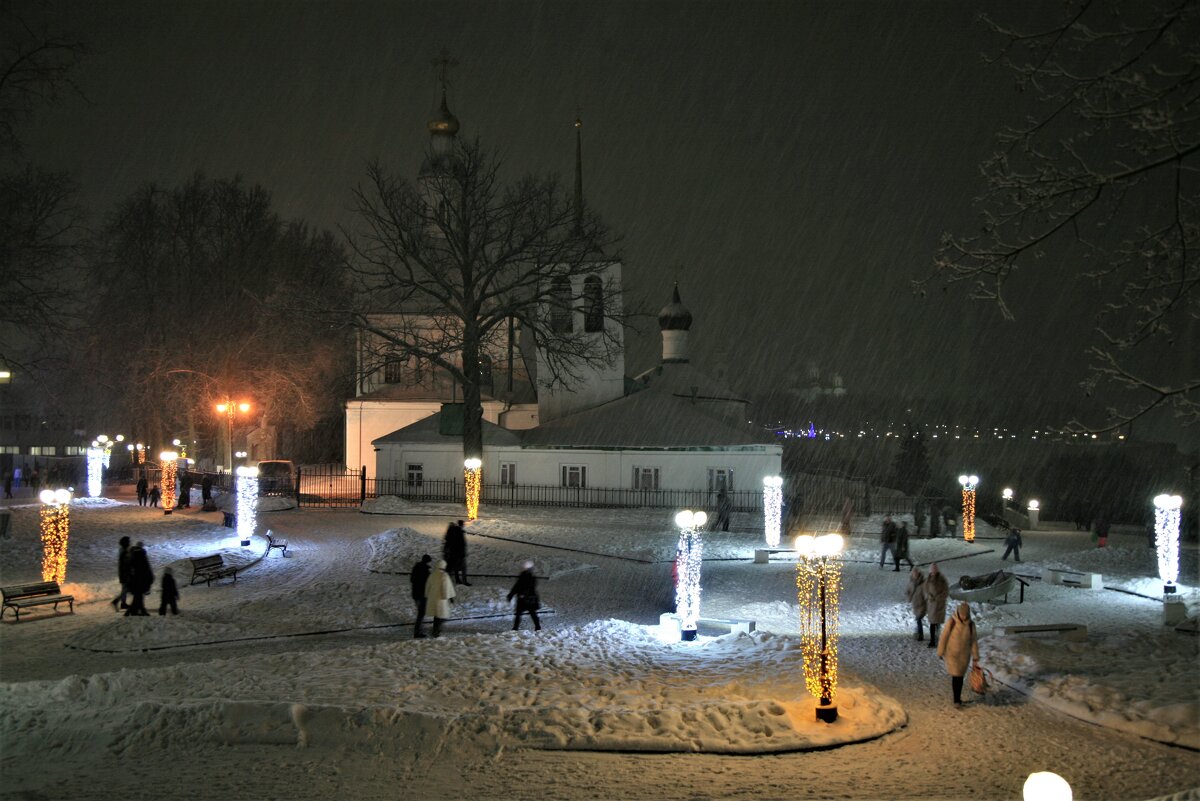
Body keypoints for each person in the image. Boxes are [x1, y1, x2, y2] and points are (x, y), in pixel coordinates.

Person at [937, 602, 981, 706]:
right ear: (958, 612)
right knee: (956, 675)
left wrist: (975, 656)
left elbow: (973, 641)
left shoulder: (971, 625)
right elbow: (944, 637)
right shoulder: (951, 622)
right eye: (962, 614)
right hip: (952, 654)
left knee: (960, 676)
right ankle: (956, 699)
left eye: (965, 614)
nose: (964, 616)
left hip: (964, 655)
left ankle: (957, 698)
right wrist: (941, 651)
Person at [424, 558, 456, 638]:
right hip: (441, 599)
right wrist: (448, 597)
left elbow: (428, 586)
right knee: (441, 615)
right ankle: (436, 631)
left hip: (433, 598)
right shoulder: (444, 575)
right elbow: (446, 587)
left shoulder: (432, 574)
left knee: (436, 615)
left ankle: (435, 630)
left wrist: (427, 595)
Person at [507, 560, 542, 632]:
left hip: (527, 598)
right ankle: (516, 627)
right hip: (526, 598)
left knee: (528, 613)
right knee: (527, 613)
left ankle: (536, 626)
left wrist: (515, 594)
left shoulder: (530, 577)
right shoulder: (526, 576)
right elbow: (517, 586)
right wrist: (512, 594)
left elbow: (525, 586)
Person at [924, 562, 949, 648]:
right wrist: (928, 596)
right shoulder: (928, 579)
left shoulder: (942, 579)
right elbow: (925, 590)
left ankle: (937, 639)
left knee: (937, 623)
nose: (933, 571)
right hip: (931, 605)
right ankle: (932, 641)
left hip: (939, 605)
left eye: (934, 569)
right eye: (932, 569)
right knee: (932, 623)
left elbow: (946, 590)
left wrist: (939, 597)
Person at [125, 541, 154, 616]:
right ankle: (136, 611)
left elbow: (128, 569)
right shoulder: (143, 558)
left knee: (138, 596)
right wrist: (150, 578)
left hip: (134, 580)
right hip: (141, 580)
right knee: (139, 596)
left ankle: (134, 611)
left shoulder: (132, 557)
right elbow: (147, 569)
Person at [411, 554, 432, 638]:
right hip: (422, 594)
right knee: (421, 613)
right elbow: (428, 583)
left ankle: (419, 630)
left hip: (415, 593)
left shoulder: (416, 567)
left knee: (420, 613)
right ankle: (417, 632)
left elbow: (412, 580)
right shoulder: (425, 570)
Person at [443, 520, 470, 585]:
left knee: (454, 567)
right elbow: (461, 544)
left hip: (453, 553)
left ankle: (456, 580)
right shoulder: (458, 532)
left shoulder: (452, 533)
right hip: (459, 554)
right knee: (463, 567)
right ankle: (464, 581)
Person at [905, 567, 928, 641]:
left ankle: (920, 636)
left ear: (918, 574)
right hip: (915, 605)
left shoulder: (923, 583)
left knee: (918, 619)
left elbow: (926, 593)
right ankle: (917, 633)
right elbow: (907, 591)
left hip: (922, 605)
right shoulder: (910, 582)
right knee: (917, 620)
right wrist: (908, 597)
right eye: (913, 573)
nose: (915, 574)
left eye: (916, 573)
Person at [110, 536, 132, 611]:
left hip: (123, 573)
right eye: (128, 541)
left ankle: (123, 603)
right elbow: (126, 564)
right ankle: (116, 602)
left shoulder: (122, 550)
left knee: (124, 589)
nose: (130, 543)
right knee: (126, 589)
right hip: (125, 574)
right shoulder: (124, 552)